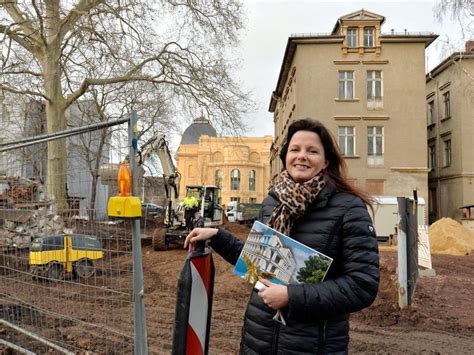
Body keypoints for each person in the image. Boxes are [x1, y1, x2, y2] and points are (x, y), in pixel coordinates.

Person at [184, 118, 379, 354]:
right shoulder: (273, 204)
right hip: (259, 340)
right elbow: (258, 264)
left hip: (312, 346)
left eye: (312, 151)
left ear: (326, 161)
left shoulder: (349, 208)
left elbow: (362, 286)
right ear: (285, 157)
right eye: (295, 149)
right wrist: (217, 236)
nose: (302, 156)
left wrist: (291, 296)